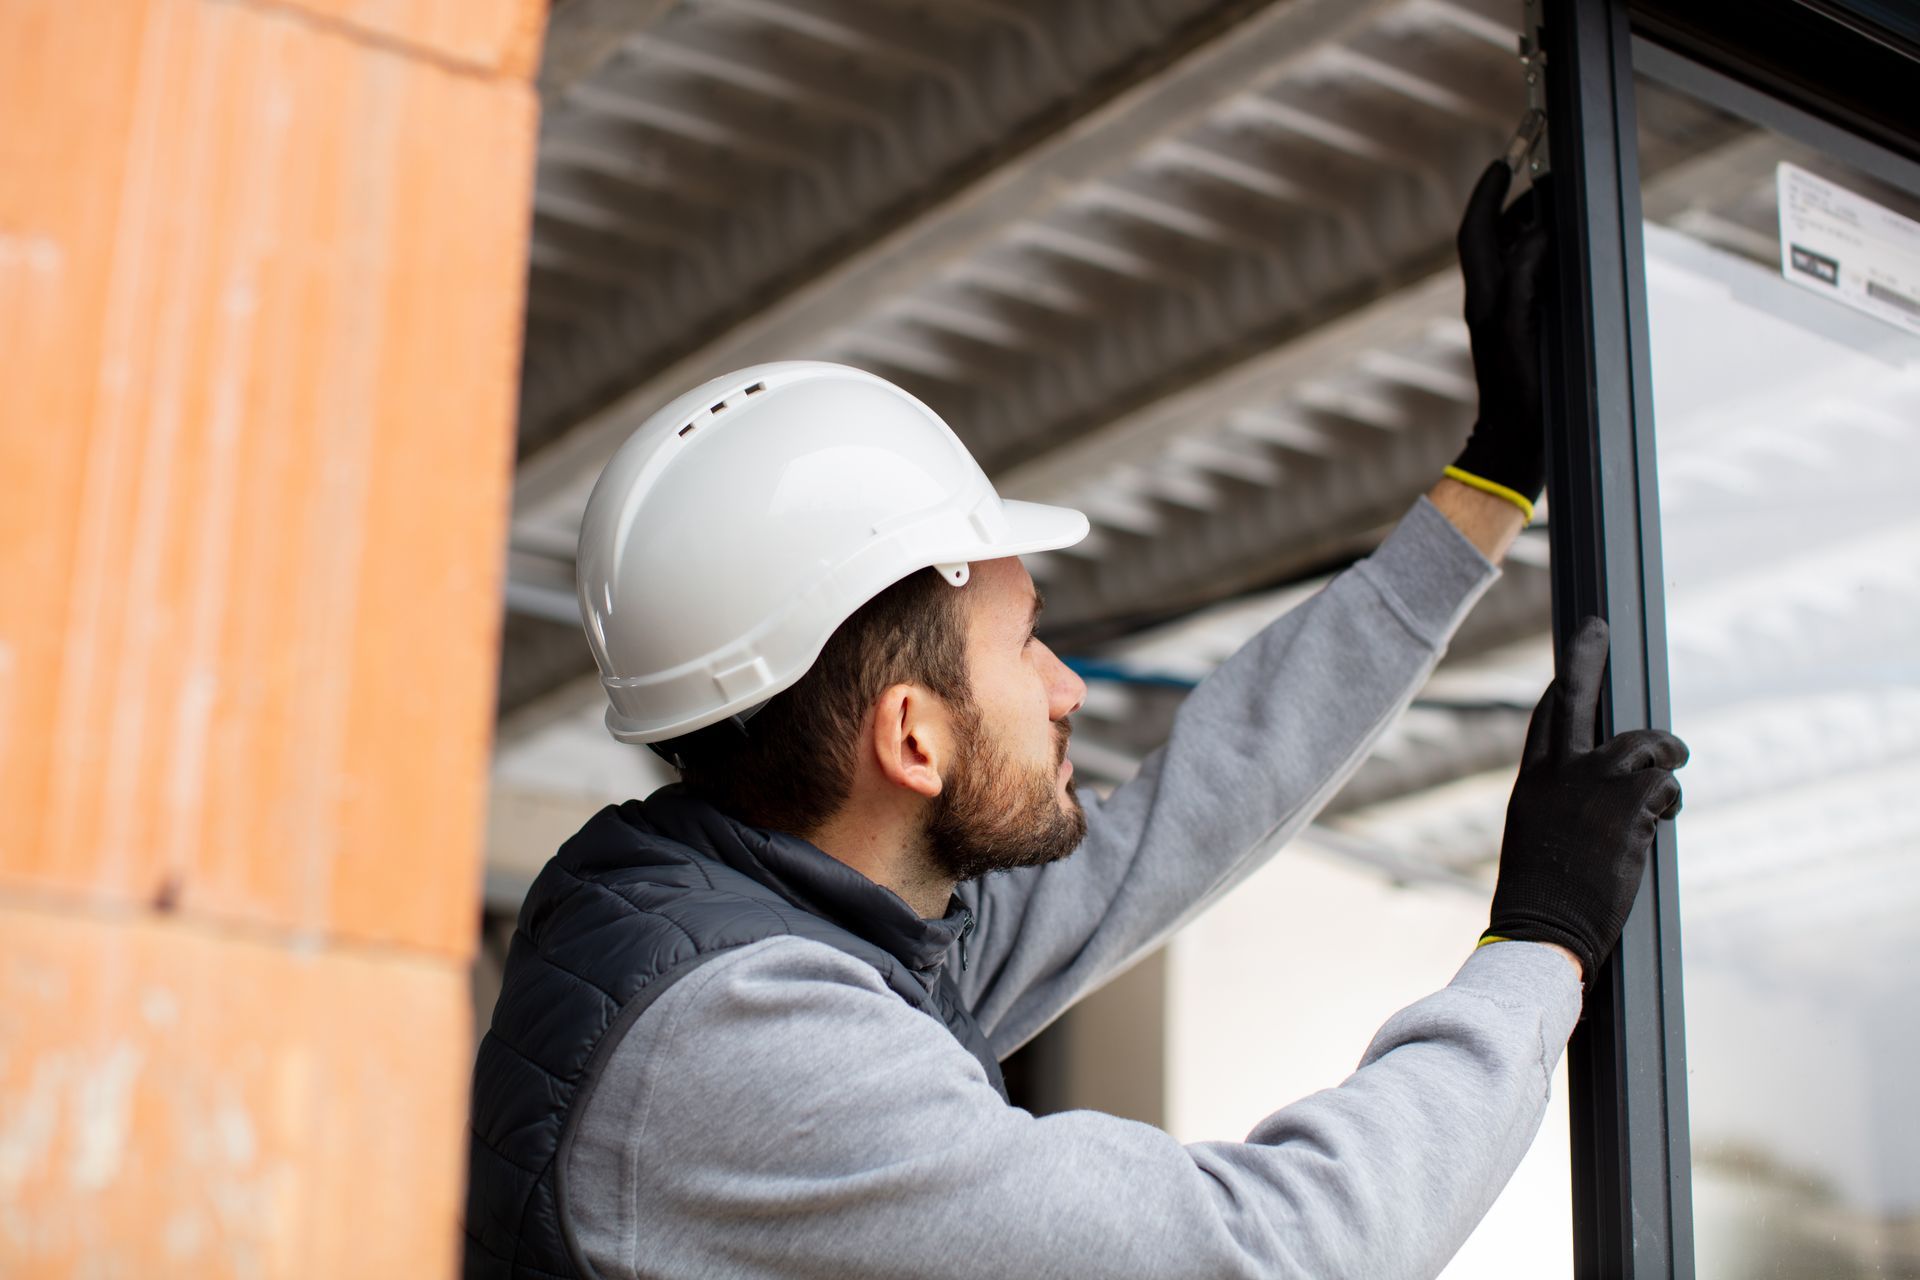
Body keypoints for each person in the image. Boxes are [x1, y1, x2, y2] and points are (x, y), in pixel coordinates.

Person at [463, 159, 1687, 1278]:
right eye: (1026, 640)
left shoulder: (805, 916)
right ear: (913, 740)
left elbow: (1188, 811)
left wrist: (1490, 476)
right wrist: (1535, 945)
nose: (1070, 686)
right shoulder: (743, 1049)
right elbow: (1266, 1253)